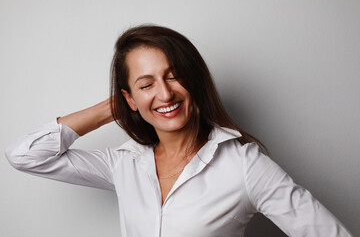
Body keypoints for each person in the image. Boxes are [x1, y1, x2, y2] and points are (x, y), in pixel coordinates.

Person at [5, 25, 352, 237]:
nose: (166, 93)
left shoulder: (244, 165)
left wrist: (139, 96)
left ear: (194, 79)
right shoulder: (124, 164)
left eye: (173, 75)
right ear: (129, 97)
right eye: (146, 84)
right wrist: (112, 109)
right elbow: (24, 156)